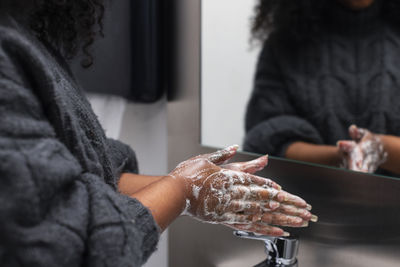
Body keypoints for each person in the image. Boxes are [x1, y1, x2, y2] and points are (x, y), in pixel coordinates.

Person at [0, 1, 316, 266]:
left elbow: (73, 172)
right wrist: (181, 189)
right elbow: (68, 243)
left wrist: (201, 188)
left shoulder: (22, 34)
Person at [244, 0, 400, 175]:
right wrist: (339, 157)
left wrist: (382, 149)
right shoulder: (286, 42)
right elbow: (265, 138)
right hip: (309, 197)